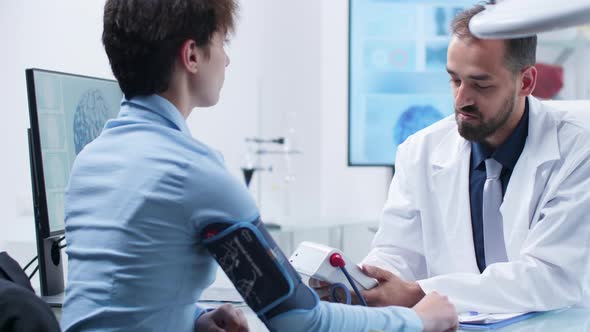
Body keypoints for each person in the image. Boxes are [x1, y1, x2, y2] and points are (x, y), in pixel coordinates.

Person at [61, 0, 458, 331]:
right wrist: (416, 320)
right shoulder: (195, 173)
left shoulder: (90, 160)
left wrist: (194, 319)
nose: (228, 59)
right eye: (222, 43)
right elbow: (300, 320)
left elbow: (120, 297)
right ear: (192, 55)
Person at [319, 3, 590, 314]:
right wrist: (370, 282)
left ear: (526, 82)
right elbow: (398, 252)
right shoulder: (418, 151)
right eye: (454, 80)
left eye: (480, 84)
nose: (461, 99)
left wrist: (417, 292)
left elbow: (550, 277)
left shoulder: (579, 148)